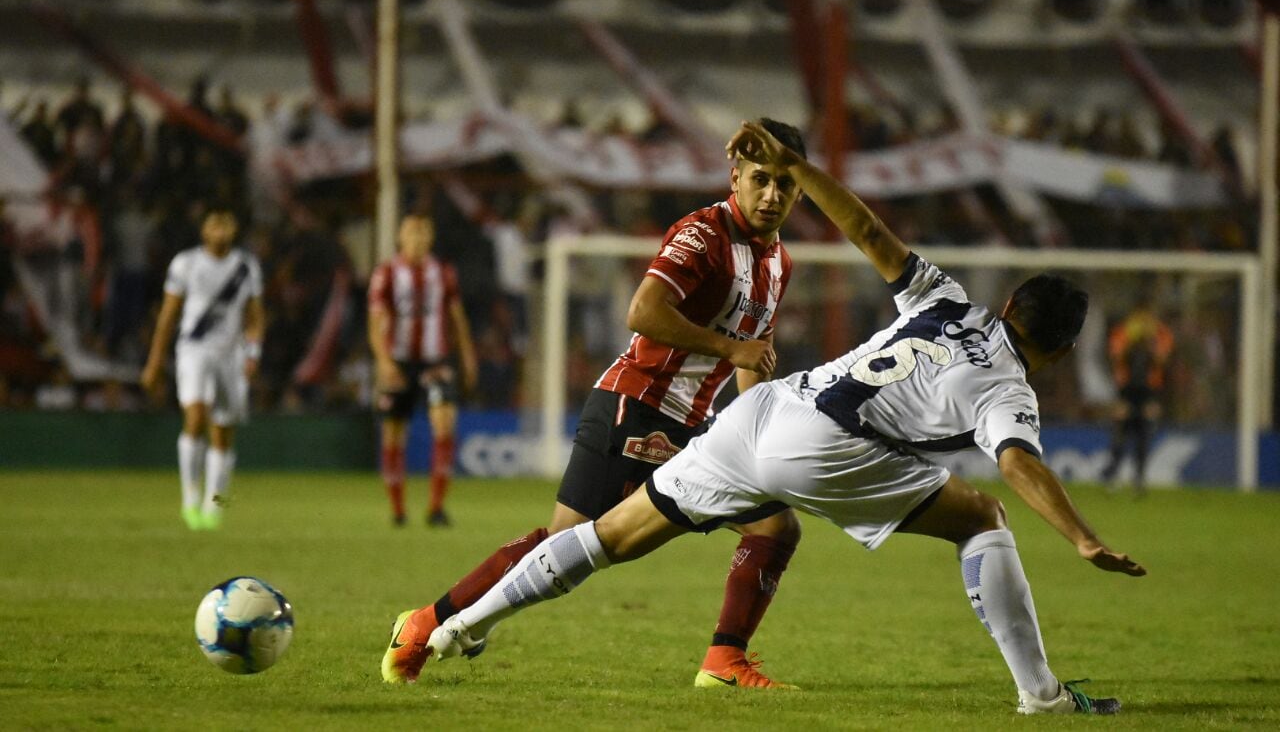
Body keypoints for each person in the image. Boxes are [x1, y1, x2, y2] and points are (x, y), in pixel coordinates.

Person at [421, 122, 1147, 716]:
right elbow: (1017, 462)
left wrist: (802, 162)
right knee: (982, 516)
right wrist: (1082, 538)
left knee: (607, 536)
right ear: (1064, 349)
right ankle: (1042, 696)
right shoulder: (1008, 386)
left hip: (764, 409)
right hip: (828, 446)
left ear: (1010, 303)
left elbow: (862, 226)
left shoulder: (946, 297)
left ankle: (459, 627)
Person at [383, 118, 807, 689]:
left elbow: (751, 359)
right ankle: (426, 623)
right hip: (634, 406)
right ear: (735, 176)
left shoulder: (780, 262)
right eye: (761, 179)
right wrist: (732, 347)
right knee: (565, 545)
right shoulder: (702, 234)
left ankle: (724, 661)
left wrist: (752, 429)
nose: (772, 194)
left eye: (786, 184)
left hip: (693, 426)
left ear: (801, 191)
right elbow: (643, 312)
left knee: (775, 526)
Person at [142, 205, 264, 530]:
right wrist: (154, 361)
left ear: (235, 229)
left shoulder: (246, 266)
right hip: (193, 350)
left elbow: (254, 317)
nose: (221, 228)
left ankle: (215, 505)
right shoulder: (186, 263)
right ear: (204, 231)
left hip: (231, 355)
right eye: (214, 223)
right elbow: (168, 316)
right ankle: (189, 499)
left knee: (223, 432)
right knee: (196, 415)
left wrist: (253, 353)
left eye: (227, 222)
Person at [368, 214, 478, 527]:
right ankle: (398, 510)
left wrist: (468, 356)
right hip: (398, 361)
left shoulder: (442, 272)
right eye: (411, 232)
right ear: (401, 237)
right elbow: (375, 324)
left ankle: (436, 508)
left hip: (435, 361)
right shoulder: (386, 273)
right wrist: (384, 361)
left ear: (430, 238)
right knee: (392, 434)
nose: (417, 239)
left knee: (444, 425)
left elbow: (457, 317)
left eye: (422, 232)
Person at [1100, 295, 1173, 495]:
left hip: (1150, 390)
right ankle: (1112, 476)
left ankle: (1138, 479)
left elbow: (1162, 362)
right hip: (1126, 389)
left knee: (1145, 433)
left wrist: (1149, 342)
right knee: (1120, 432)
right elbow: (1116, 359)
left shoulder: (1161, 334)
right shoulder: (1122, 333)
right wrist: (1132, 340)